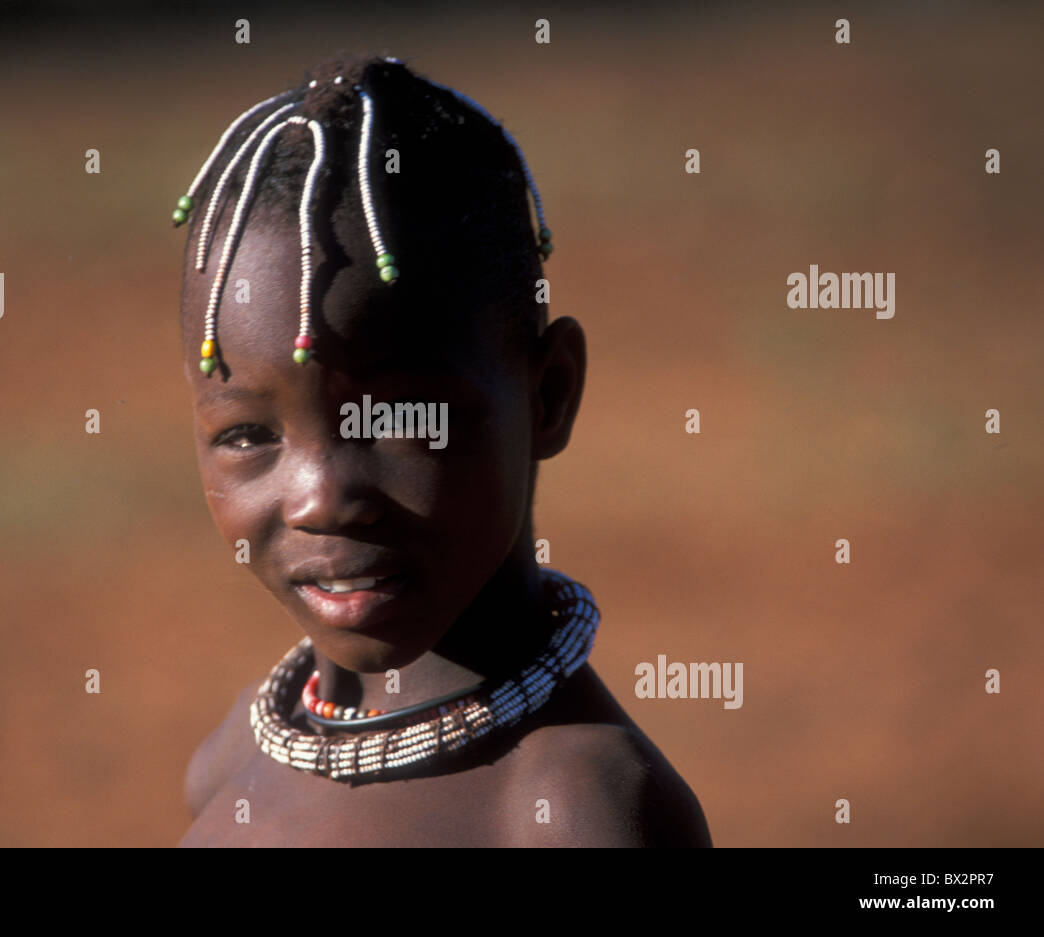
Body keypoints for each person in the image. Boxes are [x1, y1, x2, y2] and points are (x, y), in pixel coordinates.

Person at [172, 53, 711, 846]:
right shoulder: (231, 760)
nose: (322, 495)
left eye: (397, 416)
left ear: (549, 394)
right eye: (248, 434)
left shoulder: (579, 813)